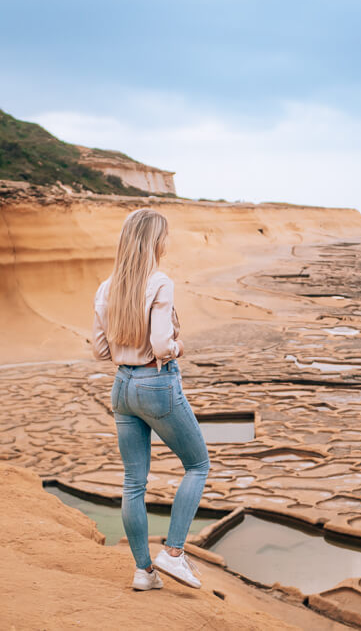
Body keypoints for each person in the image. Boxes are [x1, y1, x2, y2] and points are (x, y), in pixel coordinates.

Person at [91, 208, 211, 592]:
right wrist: (178, 346)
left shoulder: (107, 287)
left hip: (122, 387)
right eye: (164, 236)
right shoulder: (159, 282)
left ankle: (144, 572)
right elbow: (161, 345)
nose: (167, 242)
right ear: (153, 241)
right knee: (198, 465)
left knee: (133, 483)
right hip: (155, 383)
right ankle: (173, 555)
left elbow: (99, 349)